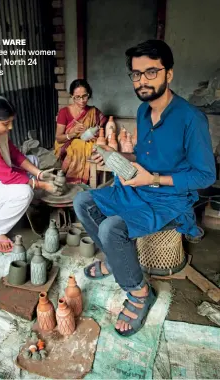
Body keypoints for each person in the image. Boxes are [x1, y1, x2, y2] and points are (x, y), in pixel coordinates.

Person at [73, 40, 216, 337]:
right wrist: (115, 157)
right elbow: (144, 157)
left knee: (113, 227)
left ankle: (139, 292)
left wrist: (153, 179)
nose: (142, 81)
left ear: (169, 74)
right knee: (83, 201)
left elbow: (205, 176)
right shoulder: (142, 110)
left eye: (151, 72)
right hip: (138, 187)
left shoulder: (191, 118)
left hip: (170, 198)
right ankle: (116, 261)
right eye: (136, 74)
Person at [0, 96, 63, 253]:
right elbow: (8, 176)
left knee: (33, 159)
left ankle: (21, 204)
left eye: (11, 122)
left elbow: (15, 155)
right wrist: (43, 185)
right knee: (24, 192)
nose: (11, 127)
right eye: (6, 124)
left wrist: (39, 174)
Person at [54, 79, 107, 184]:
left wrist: (91, 133)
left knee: (98, 148)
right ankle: (74, 181)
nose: (82, 100)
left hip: (89, 143)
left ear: (89, 95)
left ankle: (89, 181)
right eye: (77, 97)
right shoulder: (64, 112)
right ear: (72, 96)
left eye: (85, 96)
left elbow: (101, 131)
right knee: (78, 145)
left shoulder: (94, 112)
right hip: (67, 145)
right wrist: (73, 133)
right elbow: (59, 138)